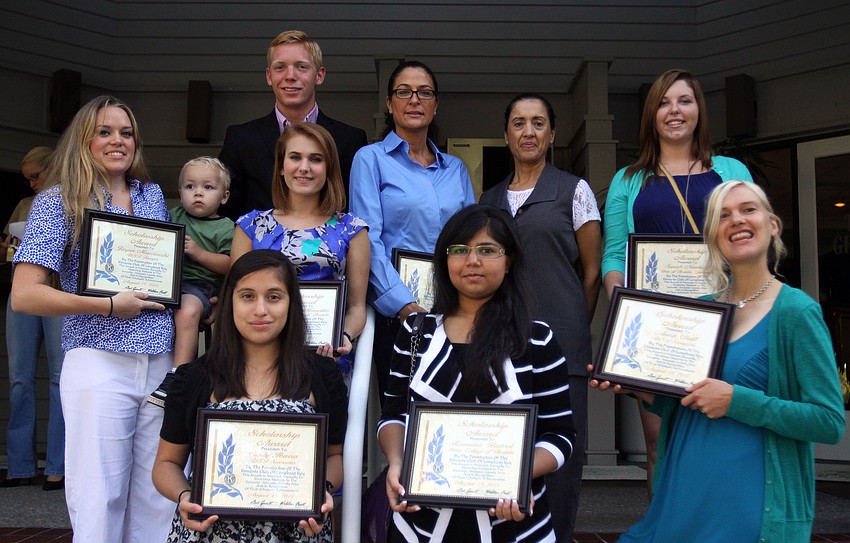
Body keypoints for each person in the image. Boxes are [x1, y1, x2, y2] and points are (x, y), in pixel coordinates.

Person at [592, 180, 846, 542]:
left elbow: (829, 421)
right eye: (723, 216)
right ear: (712, 236)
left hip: (746, 511)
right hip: (680, 498)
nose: (736, 220)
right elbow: (691, 403)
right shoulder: (703, 308)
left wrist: (736, 401)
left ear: (772, 225)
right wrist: (642, 389)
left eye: (748, 209)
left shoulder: (797, 312)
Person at [11, 95, 175, 543]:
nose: (117, 141)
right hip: (99, 360)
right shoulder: (57, 201)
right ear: (84, 141)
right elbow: (24, 295)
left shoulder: (151, 195)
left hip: (158, 362)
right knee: (99, 494)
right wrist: (106, 305)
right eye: (104, 132)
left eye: (125, 132)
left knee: (156, 496)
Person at [379, 205, 575, 543]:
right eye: (460, 250)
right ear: (444, 260)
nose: (472, 260)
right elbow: (393, 415)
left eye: (487, 250)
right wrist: (397, 462)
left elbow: (560, 435)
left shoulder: (536, 339)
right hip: (420, 526)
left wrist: (517, 476)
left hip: (514, 526)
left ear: (509, 260)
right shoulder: (415, 332)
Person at [601, 69, 753, 495]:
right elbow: (614, 254)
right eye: (665, 103)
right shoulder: (629, 180)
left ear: (698, 110)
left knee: (723, 439)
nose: (675, 111)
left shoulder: (730, 170)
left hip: (727, 323)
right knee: (659, 442)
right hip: (656, 330)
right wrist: (625, 308)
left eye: (684, 101)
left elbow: (750, 241)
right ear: (652, 115)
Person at [152, 250, 347, 542]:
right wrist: (184, 496)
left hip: (299, 532)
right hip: (212, 533)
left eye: (273, 296)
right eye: (247, 296)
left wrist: (323, 490)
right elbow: (166, 465)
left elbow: (334, 456)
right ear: (229, 301)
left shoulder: (322, 374)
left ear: (292, 303)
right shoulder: (193, 378)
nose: (260, 310)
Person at [479, 93, 601, 542]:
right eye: (518, 123)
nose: (527, 132)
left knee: (560, 452)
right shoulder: (488, 199)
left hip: (563, 342)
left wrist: (570, 327)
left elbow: (591, 272)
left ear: (551, 134)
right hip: (500, 344)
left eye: (537, 123)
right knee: (502, 447)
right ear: (506, 134)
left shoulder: (574, 190)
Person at [349, 60, 474, 400]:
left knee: (452, 408)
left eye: (425, 92)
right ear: (390, 104)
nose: (414, 100)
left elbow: (470, 240)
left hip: (452, 309)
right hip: (398, 313)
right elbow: (366, 237)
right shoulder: (369, 159)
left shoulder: (456, 169)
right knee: (401, 408)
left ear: (436, 104)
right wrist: (404, 304)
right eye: (404, 92)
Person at [230, 122, 369, 374]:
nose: (304, 167)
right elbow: (238, 298)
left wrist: (344, 335)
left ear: (329, 169)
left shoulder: (352, 229)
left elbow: (357, 307)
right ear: (281, 168)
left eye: (315, 159)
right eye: (295, 157)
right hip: (259, 357)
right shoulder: (250, 226)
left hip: (324, 358)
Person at [219, 29, 367, 219]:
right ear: (269, 76)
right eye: (280, 67)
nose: (290, 75)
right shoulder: (240, 139)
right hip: (256, 246)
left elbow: (356, 213)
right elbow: (223, 212)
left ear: (319, 75)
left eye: (301, 67)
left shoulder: (351, 140)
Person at [1, 146, 65, 491]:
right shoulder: (26, 205)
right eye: (27, 178)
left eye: (35, 176)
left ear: (53, 169)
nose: (31, 184)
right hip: (22, 292)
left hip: (57, 293)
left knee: (59, 377)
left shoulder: (69, 198)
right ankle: (20, 465)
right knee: (19, 378)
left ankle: (58, 465)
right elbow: (7, 248)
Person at [147, 157, 234, 407]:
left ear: (224, 196)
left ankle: (179, 375)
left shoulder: (226, 228)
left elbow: (230, 264)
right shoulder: (172, 216)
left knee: (188, 311)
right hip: (165, 282)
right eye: (190, 187)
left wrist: (199, 253)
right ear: (180, 192)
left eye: (208, 188)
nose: (198, 193)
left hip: (200, 287)